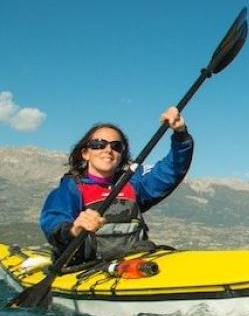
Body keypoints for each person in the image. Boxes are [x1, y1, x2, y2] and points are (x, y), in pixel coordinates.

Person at [40, 107, 194, 265]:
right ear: (85, 153)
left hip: (131, 265)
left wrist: (180, 134)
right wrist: (74, 229)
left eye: (116, 146)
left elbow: (172, 170)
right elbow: (53, 222)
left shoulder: (133, 184)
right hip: (87, 269)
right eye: (98, 144)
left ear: (121, 156)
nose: (108, 150)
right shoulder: (71, 189)